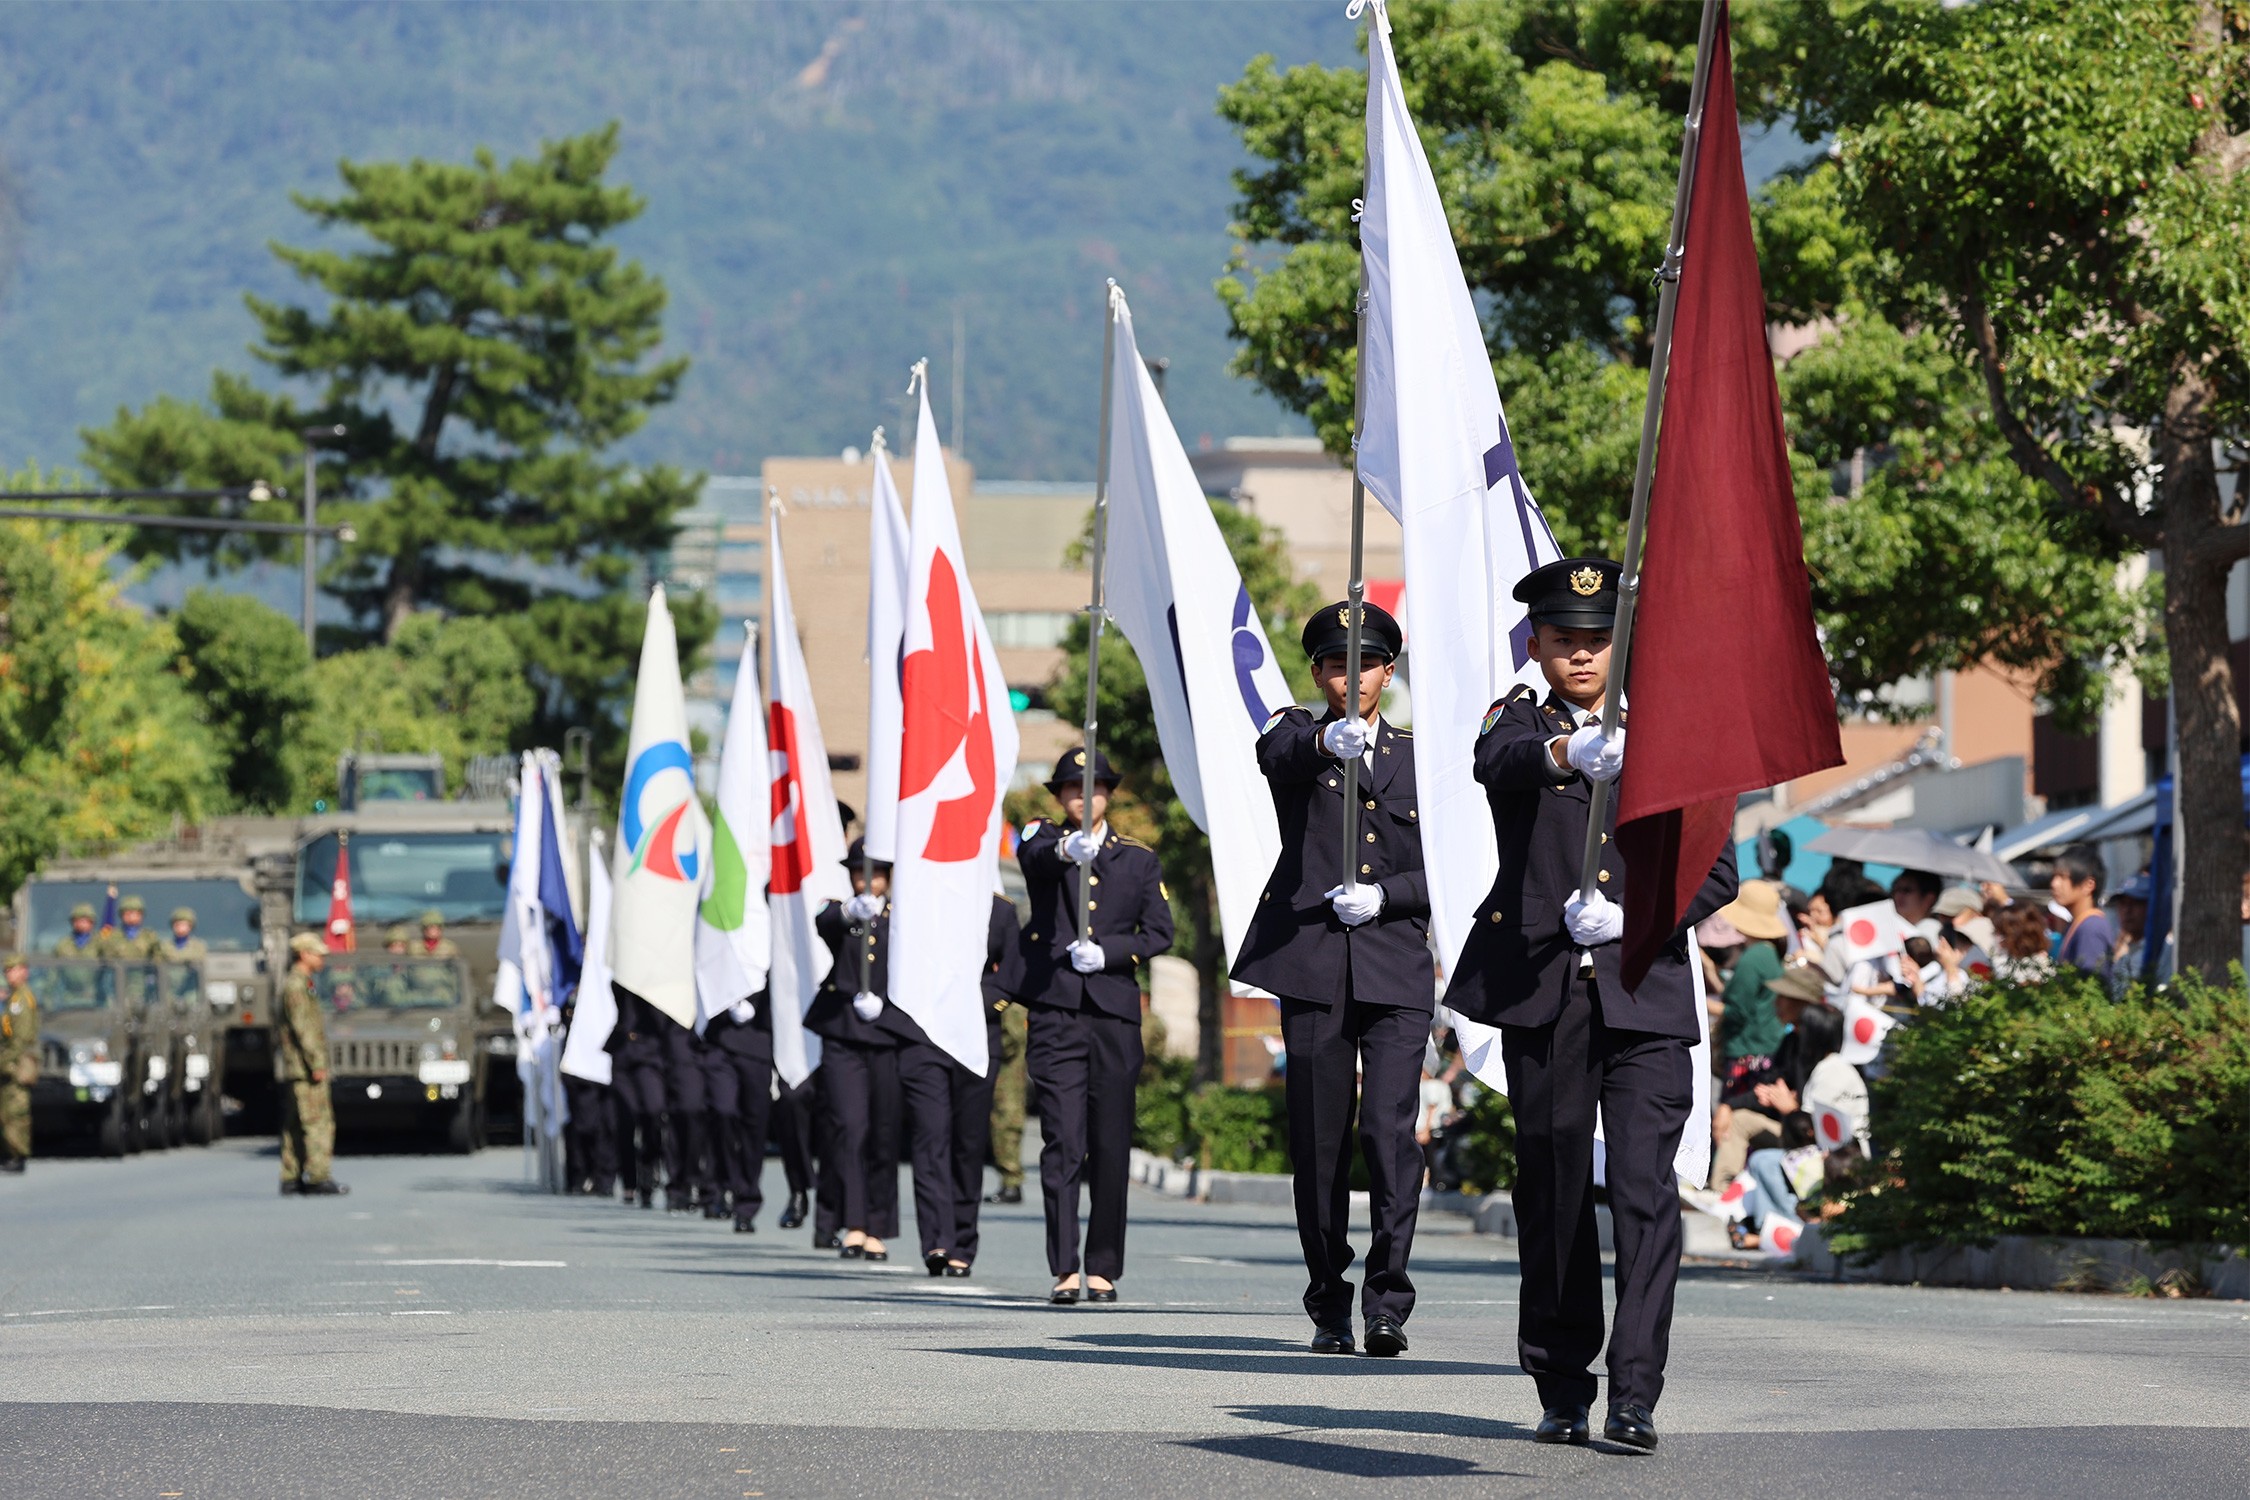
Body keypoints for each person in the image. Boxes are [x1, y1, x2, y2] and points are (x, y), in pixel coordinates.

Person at [1442, 557, 1738, 1454]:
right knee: (1557, 1191)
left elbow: (1719, 872)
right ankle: (1563, 1381)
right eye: (1565, 641)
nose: (1581, 656)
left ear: (1622, 646)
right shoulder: (1520, 721)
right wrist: (1571, 751)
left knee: (1647, 1194)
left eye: (1597, 641)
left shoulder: (1673, 735)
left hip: (1643, 991)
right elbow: (1496, 762)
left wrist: (1638, 911)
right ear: (1538, 645)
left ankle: (1636, 1390)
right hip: (1549, 995)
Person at [1231, 600, 1432, 1356]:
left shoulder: (1418, 756)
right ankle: (1327, 1296)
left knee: (1388, 1133)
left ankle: (1388, 1299)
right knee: (1319, 1141)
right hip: (1313, 961)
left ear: (1389, 670)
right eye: (1337, 665)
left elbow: (1448, 862)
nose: (1353, 677)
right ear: (1319, 673)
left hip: (1394, 962)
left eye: (1369, 663)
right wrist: (1325, 741)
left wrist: (1391, 895)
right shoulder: (1296, 735)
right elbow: (1277, 755)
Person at [1015, 747, 1175, 1304]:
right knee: (1062, 1141)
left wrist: (1109, 952)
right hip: (1057, 1010)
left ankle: (1103, 1265)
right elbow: (1032, 857)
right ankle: (1063, 1266)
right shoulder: (1043, 841)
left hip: (1111, 1013)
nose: (1084, 797)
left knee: (1110, 1144)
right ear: (1060, 797)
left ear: (1110, 794)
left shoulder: (1136, 859)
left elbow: (1160, 933)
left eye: (1095, 787)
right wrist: (1065, 849)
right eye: (1074, 789)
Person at [899, 892, 1025, 1277]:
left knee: (968, 1144)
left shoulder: (1000, 911)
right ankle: (936, 1239)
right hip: (925, 1035)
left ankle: (962, 1242)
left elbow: (1012, 976)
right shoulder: (922, 899)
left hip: (975, 1035)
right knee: (930, 1135)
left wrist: (973, 1001)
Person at [806, 847, 903, 1262]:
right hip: (844, 1030)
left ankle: (878, 1225)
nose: (868, 883)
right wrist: (853, 910)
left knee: (883, 1131)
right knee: (849, 1126)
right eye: (861, 875)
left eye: (877, 875)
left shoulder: (901, 914)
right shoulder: (841, 910)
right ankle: (855, 1223)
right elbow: (825, 920)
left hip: (888, 1031)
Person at [276, 932, 347, 1196]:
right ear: (304, 954)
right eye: (318, 954)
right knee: (318, 1121)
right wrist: (316, 1061)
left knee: (296, 1122)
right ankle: (318, 1176)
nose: (322, 959)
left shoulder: (301, 983)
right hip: (304, 1067)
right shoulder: (297, 985)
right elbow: (303, 1028)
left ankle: (291, 1175)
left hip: (299, 1066)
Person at [701, 986, 777, 1232]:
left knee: (754, 1127)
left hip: (759, 1038)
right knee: (722, 1111)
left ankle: (746, 1201)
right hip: (719, 1038)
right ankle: (720, 1185)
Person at [1711, 880, 1790, 1091]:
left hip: (1747, 1053)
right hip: (1764, 1049)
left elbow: (1736, 1011)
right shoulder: (1768, 952)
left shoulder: (1753, 958)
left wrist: (1698, 1001)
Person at [984, 996, 1028, 1206]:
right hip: (999, 1065)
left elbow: (1012, 1037)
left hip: (1007, 1070)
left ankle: (1011, 1182)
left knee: (1007, 1122)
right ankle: (1009, 1181)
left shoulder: (1011, 1000)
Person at [2050, 843, 2116, 982]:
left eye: (2062, 877)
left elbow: (2091, 987)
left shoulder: (2091, 927)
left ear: (2089, 885)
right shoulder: (2080, 924)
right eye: (2054, 876)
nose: (2054, 883)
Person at [1, 953, 38, 1173]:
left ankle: (18, 1155)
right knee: (6, 1111)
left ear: (24, 972)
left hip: (18, 1063)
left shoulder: (23, 999)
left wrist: (6, 1061)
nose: (9, 975)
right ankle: (9, 1153)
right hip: (10, 1061)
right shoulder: (12, 998)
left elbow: (20, 1039)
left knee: (16, 1111)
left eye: (13, 970)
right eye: (6, 971)